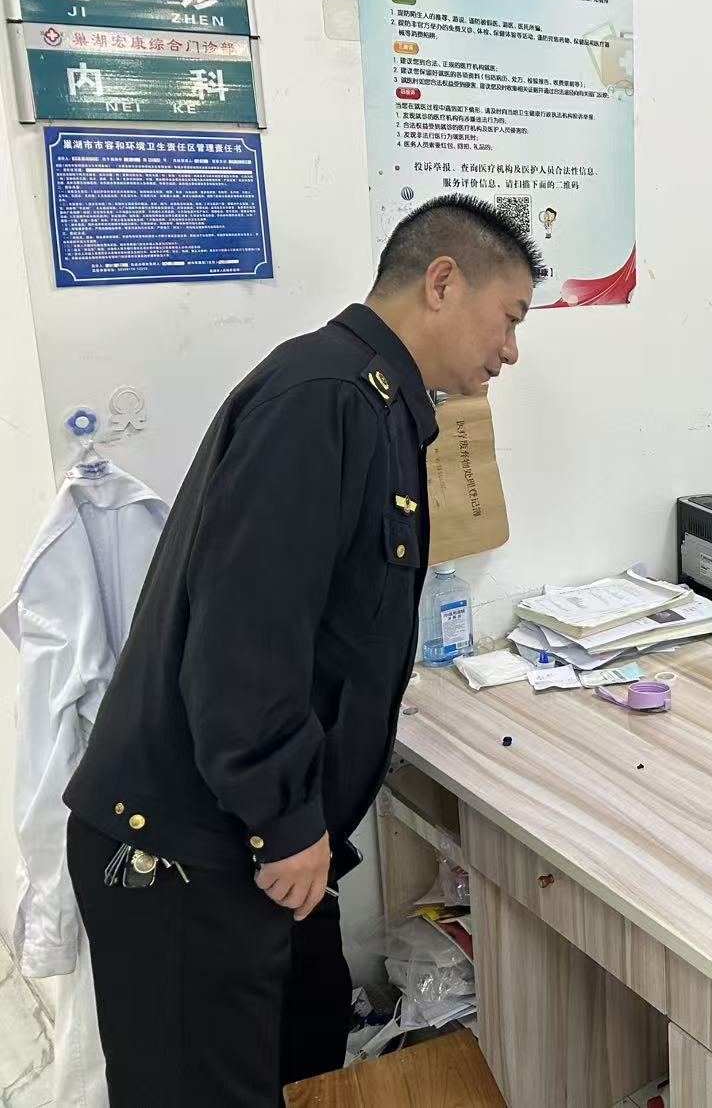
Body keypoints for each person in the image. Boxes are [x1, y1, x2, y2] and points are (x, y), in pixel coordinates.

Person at [62, 195, 543, 1105]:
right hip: (186, 849)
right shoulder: (326, 398)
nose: (511, 351)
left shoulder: (378, 402)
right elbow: (243, 640)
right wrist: (284, 820)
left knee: (311, 1037)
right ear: (443, 282)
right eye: (509, 317)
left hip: (245, 831)